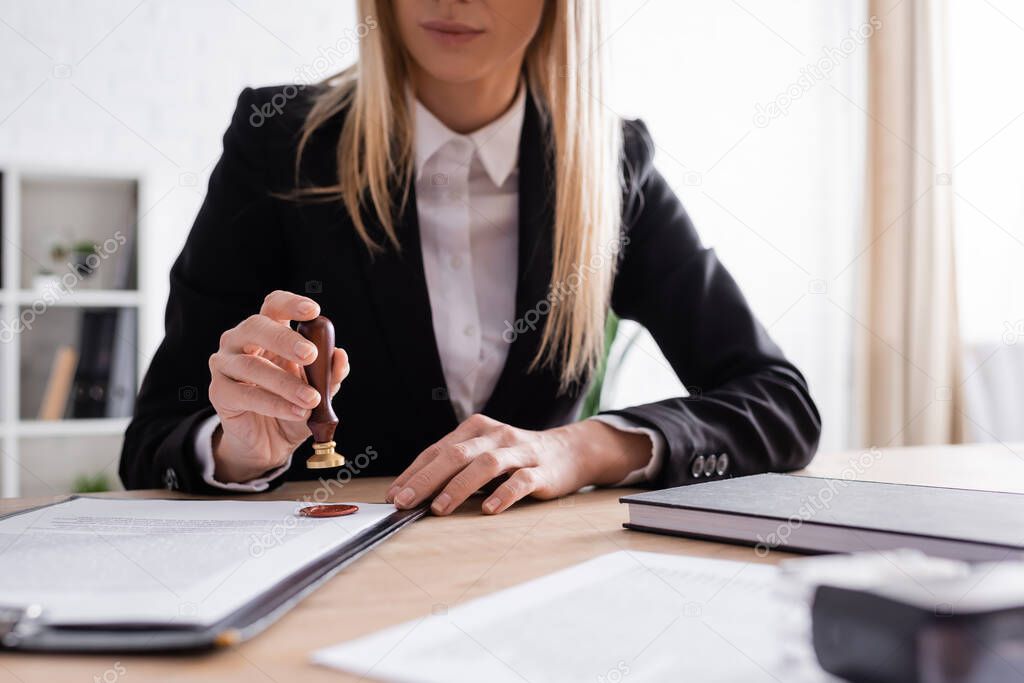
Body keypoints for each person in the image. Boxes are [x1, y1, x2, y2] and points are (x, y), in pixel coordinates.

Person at [120, 0, 821, 516]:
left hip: (530, 584)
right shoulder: (280, 146)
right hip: (320, 598)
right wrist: (240, 449)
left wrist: (579, 449)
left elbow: (780, 404)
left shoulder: (611, 167)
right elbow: (152, 440)